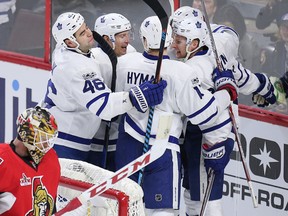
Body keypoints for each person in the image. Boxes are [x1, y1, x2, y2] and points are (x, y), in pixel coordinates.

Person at [115, 15, 238, 216]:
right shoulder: (181, 72)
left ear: (144, 40)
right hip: (163, 148)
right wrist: (226, 92)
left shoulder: (124, 63)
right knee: (162, 210)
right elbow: (205, 115)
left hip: (127, 144)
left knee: (123, 205)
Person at [170, 7, 276, 216]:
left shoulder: (193, 69)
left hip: (205, 134)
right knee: (195, 189)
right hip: (216, 132)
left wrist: (216, 144)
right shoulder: (219, 45)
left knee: (205, 195)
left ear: (193, 40)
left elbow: (203, 109)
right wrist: (264, 88)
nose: (173, 41)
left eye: (178, 36)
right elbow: (239, 74)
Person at [41, 12, 167, 166]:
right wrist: (136, 96)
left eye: (86, 27)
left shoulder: (66, 50)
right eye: (82, 33)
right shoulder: (77, 67)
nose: (89, 33)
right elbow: (104, 106)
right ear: (70, 42)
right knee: (68, 190)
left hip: (65, 135)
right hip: (66, 144)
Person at [90, 13, 136, 171]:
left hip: (119, 139)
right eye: (122, 36)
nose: (127, 40)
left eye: (128, 35)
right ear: (106, 38)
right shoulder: (93, 59)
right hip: (93, 140)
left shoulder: (131, 54)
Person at [0, 106, 59, 215]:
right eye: (43, 138)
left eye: (49, 139)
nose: (47, 144)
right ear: (26, 133)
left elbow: (51, 207)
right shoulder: (2, 161)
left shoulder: (51, 158)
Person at [213, 3, 261, 72]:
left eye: (228, 29)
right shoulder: (216, 39)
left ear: (237, 27)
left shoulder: (247, 45)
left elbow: (246, 75)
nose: (224, 33)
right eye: (221, 28)